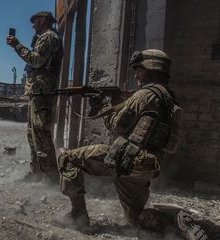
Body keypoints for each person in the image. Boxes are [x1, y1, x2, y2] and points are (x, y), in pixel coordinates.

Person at [55, 49, 187, 234]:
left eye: (139, 70)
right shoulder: (170, 98)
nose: (136, 75)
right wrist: (119, 102)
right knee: (136, 218)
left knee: (68, 158)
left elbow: (117, 126)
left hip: (127, 161)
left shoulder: (143, 95)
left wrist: (104, 105)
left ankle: (78, 217)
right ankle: (175, 224)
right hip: (148, 166)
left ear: (151, 69)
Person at [7, 11, 63, 183]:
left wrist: (17, 45)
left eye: (35, 22)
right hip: (38, 92)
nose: (33, 25)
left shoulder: (48, 37)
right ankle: (37, 172)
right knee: (33, 135)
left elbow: (36, 60)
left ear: (43, 21)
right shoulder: (45, 37)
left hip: (42, 92)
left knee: (41, 135)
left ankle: (51, 178)